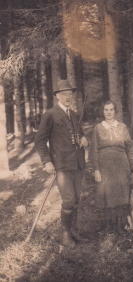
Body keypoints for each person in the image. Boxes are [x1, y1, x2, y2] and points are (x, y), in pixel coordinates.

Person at [35, 79, 89, 247]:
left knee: (76, 199)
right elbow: (39, 141)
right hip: (62, 165)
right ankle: (65, 235)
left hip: (78, 164)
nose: (68, 97)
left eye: (70, 94)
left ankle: (73, 230)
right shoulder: (50, 114)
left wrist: (84, 137)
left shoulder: (73, 114)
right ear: (57, 96)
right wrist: (46, 162)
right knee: (68, 200)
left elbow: (79, 133)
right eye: (64, 94)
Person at [91, 100, 133, 235]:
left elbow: (130, 147)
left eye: (111, 109)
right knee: (104, 194)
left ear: (115, 111)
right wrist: (96, 169)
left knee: (121, 194)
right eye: (106, 110)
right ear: (103, 112)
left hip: (121, 164)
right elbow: (94, 149)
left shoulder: (123, 127)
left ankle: (120, 225)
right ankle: (108, 226)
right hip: (104, 165)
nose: (109, 112)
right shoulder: (98, 128)